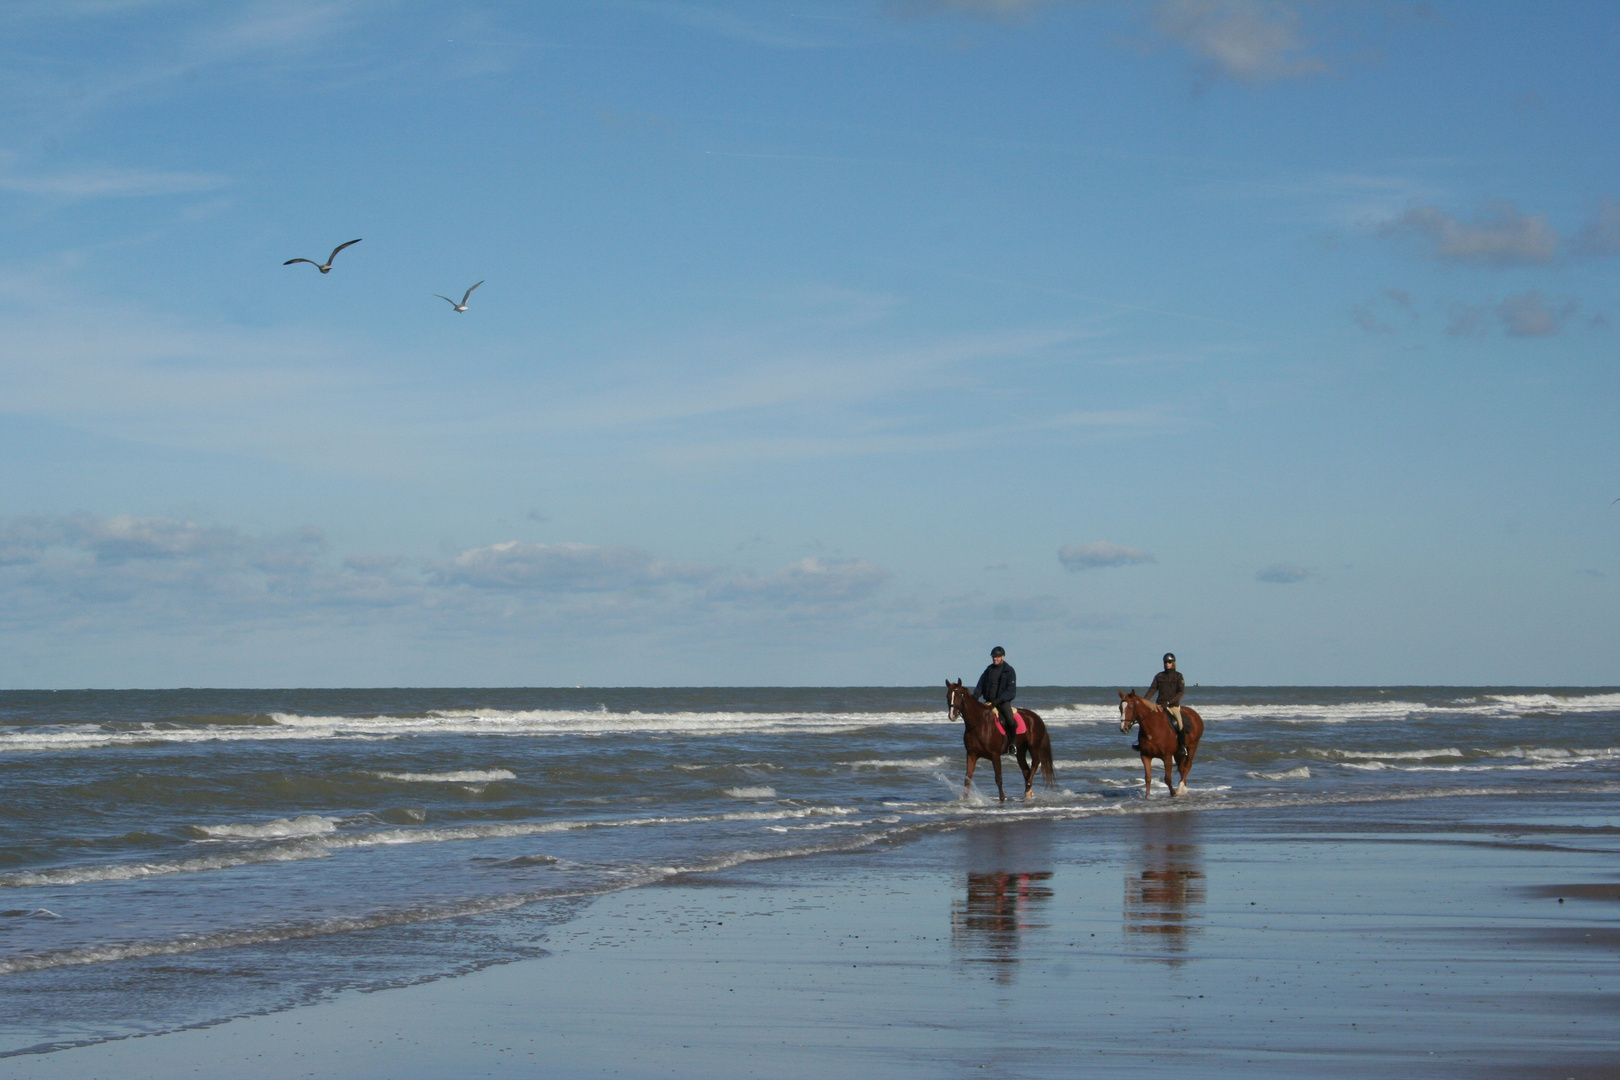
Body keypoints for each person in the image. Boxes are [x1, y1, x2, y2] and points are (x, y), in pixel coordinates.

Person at [1134, 652, 1185, 753]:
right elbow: (1152, 690)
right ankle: (1140, 743)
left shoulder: (1178, 676)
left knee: (1179, 723)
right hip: (1159, 705)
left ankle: (1182, 747)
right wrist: (1144, 701)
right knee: (1145, 720)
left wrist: (1170, 702)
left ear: (1173, 663)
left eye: (1169, 662)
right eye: (1165, 662)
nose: (1167, 664)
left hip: (1172, 706)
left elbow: (1181, 692)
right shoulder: (1159, 676)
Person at [974, 646, 1018, 748]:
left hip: (1003, 702)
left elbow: (1011, 691)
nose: (995, 658)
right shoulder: (988, 670)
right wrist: (974, 698)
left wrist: (999, 700)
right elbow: (980, 686)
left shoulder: (1009, 671)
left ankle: (1013, 743)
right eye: (993, 656)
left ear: (1003, 657)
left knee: (1010, 720)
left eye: (997, 656)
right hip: (989, 701)